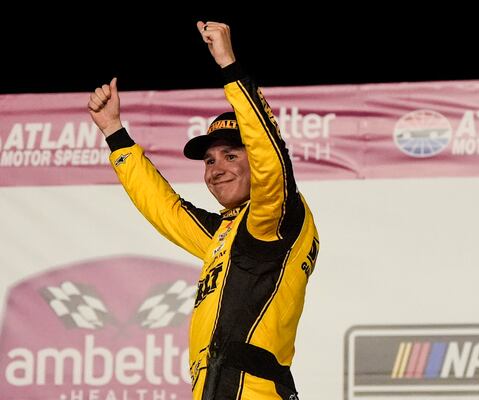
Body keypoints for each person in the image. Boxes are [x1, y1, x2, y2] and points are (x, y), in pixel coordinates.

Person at [87, 21, 319, 400]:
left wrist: (229, 65)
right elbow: (166, 209)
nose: (217, 169)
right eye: (210, 161)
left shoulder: (273, 216)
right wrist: (114, 132)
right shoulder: (228, 233)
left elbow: (269, 154)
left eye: (231, 155)